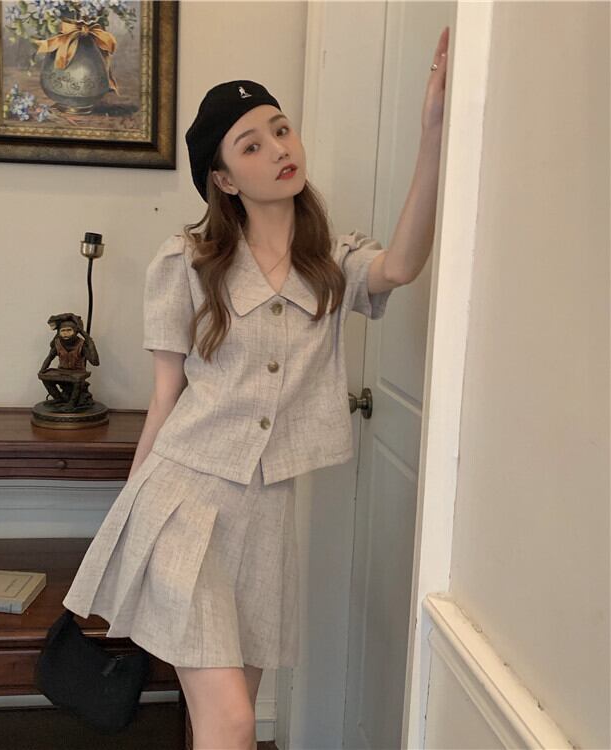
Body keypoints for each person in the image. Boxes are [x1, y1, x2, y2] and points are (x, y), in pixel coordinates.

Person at [63, 34, 447, 750]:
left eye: (280, 129)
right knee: (235, 723)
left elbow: (401, 265)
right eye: (251, 145)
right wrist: (127, 521)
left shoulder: (330, 264)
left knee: (222, 724)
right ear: (226, 179)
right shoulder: (185, 263)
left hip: (267, 519)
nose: (278, 149)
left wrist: (433, 133)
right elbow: (165, 399)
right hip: (184, 502)